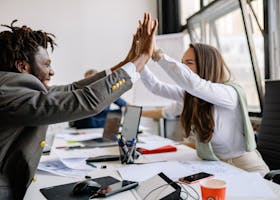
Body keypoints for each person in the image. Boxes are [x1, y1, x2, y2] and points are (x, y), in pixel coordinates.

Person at [0, 13, 157, 200]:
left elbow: (73, 88)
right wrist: (144, 56)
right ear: (22, 66)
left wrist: (129, 62)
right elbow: (87, 100)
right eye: (46, 65)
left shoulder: (11, 85)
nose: (52, 71)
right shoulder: (8, 92)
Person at [134, 22, 269, 176]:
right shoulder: (191, 95)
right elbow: (155, 87)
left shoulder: (228, 93)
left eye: (189, 63)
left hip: (246, 166)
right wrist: (140, 60)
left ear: (207, 65)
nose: (183, 68)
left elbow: (195, 84)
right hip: (218, 164)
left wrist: (156, 53)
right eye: (182, 64)